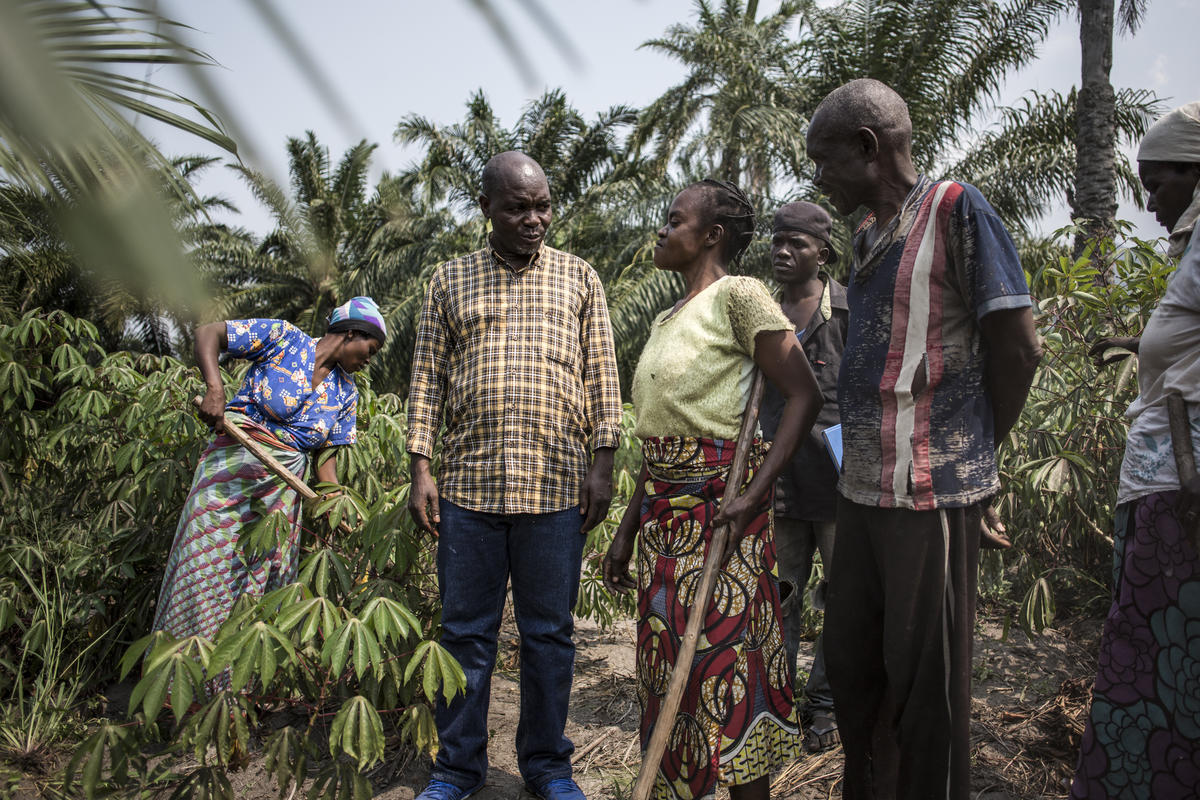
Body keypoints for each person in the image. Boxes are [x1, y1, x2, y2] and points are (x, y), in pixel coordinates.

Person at [804, 79, 1042, 800]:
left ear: (868, 149)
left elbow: (1018, 348)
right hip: (864, 492)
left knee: (924, 689)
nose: (818, 179)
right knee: (854, 671)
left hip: (931, 496)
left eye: (825, 161)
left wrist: (976, 454)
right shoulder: (868, 234)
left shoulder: (957, 211)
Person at [406, 151, 622, 800]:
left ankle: (548, 767)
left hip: (555, 490)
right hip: (469, 491)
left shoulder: (580, 279)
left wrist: (604, 463)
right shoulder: (449, 282)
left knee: (549, 637)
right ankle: (456, 771)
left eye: (543, 205)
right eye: (518, 207)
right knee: (465, 634)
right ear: (486, 210)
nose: (535, 219)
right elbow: (426, 382)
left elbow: (602, 376)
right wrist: (421, 468)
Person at [602, 179, 823, 800]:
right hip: (663, 523)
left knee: (724, 667)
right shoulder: (667, 317)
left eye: (675, 221)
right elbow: (661, 435)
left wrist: (753, 496)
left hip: (723, 511)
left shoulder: (741, 295)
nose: (662, 230)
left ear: (712, 236)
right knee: (665, 667)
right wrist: (625, 529)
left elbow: (804, 394)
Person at [1073, 100, 1200, 800]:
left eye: (1160, 182)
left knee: (1159, 658)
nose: (1149, 199)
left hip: (1182, 486)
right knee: (1154, 651)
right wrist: (1135, 345)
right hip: (1162, 482)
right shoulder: (1190, 248)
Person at [154, 297, 385, 662]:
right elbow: (208, 334)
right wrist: (215, 389)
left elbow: (327, 463)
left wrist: (340, 508)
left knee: (254, 587)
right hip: (227, 476)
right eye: (370, 349)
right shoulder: (284, 338)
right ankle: (179, 681)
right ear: (351, 333)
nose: (369, 359)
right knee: (201, 574)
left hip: (279, 500)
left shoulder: (346, 393)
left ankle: (233, 698)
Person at [758, 200, 848, 754]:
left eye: (798, 243)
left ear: (824, 251)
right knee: (779, 596)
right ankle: (776, 700)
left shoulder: (851, 307)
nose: (784, 252)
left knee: (841, 598)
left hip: (841, 482)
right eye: (778, 241)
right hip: (780, 481)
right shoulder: (761, 311)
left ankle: (826, 703)